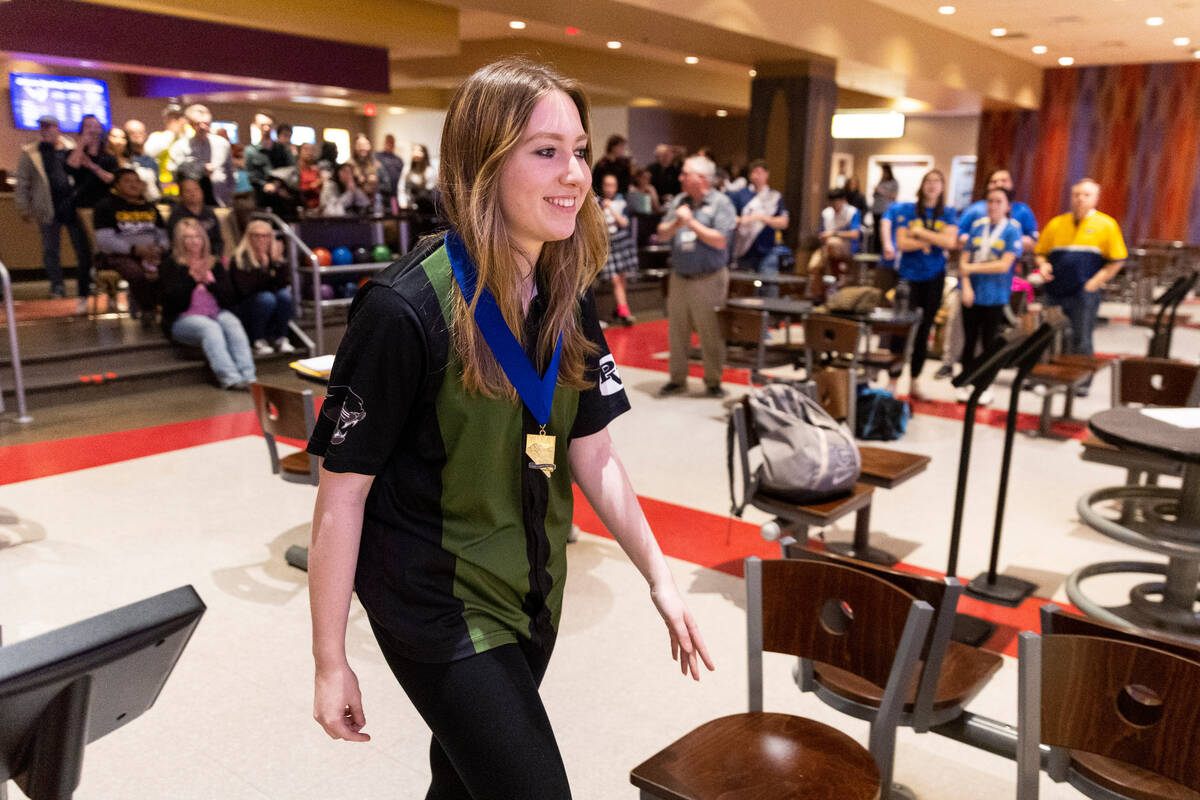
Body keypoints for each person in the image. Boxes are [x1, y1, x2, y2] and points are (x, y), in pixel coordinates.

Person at [305, 56, 713, 800]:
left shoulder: (565, 292)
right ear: (483, 165)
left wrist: (660, 578)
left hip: (531, 589)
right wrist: (330, 659)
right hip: (437, 605)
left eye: (581, 152)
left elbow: (594, 451)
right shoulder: (404, 311)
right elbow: (341, 496)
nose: (575, 175)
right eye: (546, 151)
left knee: (462, 785)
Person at [1034, 178, 1127, 396]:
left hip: (1083, 293)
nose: (1080, 199)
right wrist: (1043, 265)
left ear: (1095, 198)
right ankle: (1048, 377)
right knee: (1049, 336)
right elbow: (1040, 252)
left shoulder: (1106, 225)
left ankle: (1081, 382)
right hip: (1054, 291)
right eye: (1077, 194)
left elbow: (1118, 259)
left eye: (1086, 195)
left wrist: (1096, 281)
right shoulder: (1057, 223)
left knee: (1081, 338)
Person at [656, 154, 737, 397]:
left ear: (701, 178)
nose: (680, 177)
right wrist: (676, 225)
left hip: (709, 279)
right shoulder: (681, 200)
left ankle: (713, 381)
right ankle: (677, 379)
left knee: (710, 332)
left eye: (685, 173)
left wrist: (691, 223)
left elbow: (721, 241)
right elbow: (661, 233)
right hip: (680, 277)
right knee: (677, 331)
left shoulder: (722, 203)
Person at [159, 218, 256, 390]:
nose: (194, 241)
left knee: (232, 323)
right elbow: (171, 302)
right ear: (180, 241)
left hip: (215, 312)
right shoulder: (170, 265)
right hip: (182, 319)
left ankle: (249, 377)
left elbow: (229, 298)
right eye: (187, 237)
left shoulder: (215, 264)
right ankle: (230, 379)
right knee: (210, 328)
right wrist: (191, 280)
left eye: (197, 236)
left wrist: (210, 284)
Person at [889, 169, 958, 399]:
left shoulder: (947, 213)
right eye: (928, 181)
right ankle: (892, 381)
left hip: (934, 277)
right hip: (909, 276)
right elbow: (901, 243)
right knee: (900, 330)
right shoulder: (907, 210)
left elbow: (950, 241)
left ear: (942, 187)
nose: (932, 185)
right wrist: (930, 241)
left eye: (937, 181)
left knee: (924, 329)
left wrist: (919, 234)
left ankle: (914, 381)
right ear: (922, 185)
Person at [956, 186, 1022, 404]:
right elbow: (963, 262)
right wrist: (965, 285)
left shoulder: (1012, 230)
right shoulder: (977, 228)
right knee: (969, 340)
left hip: (995, 296)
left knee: (989, 342)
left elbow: (1004, 265)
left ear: (1007, 206)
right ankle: (966, 380)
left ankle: (986, 384)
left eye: (998, 202)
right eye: (990, 201)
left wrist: (972, 269)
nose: (993, 206)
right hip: (971, 294)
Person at [15, 115, 91, 301]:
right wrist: (23, 208)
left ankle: (87, 283)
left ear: (58, 128)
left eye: (50, 127)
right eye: (43, 127)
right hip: (47, 207)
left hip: (73, 206)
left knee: (83, 247)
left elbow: (85, 174)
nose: (46, 130)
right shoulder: (31, 152)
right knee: (50, 250)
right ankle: (57, 286)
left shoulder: (71, 148)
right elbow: (23, 182)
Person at [91, 168, 169, 318]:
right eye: (128, 181)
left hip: (153, 253)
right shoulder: (105, 206)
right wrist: (133, 249)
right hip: (119, 255)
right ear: (117, 185)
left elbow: (163, 234)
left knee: (173, 267)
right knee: (136, 273)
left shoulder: (150, 207)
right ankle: (148, 310)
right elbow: (105, 240)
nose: (134, 185)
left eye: (137, 181)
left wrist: (159, 248)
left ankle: (168, 309)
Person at [229, 217, 295, 355]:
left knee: (284, 295)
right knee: (266, 298)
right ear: (248, 237)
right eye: (256, 236)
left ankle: (281, 338)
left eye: (265, 236)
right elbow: (245, 289)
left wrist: (277, 264)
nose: (261, 239)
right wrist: (264, 269)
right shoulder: (240, 259)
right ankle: (258, 340)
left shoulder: (274, 257)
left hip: (268, 304)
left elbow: (283, 284)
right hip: (245, 307)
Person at [730, 159, 788, 298]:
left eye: (760, 172)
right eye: (754, 172)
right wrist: (747, 219)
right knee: (744, 290)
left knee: (769, 288)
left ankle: (770, 318)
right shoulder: (740, 195)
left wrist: (762, 218)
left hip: (767, 249)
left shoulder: (774, 196)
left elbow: (784, 222)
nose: (757, 176)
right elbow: (731, 219)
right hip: (744, 249)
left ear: (767, 174)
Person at [167, 104, 236, 207]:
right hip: (192, 203)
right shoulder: (180, 146)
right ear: (190, 124)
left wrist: (229, 194)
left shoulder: (222, 144)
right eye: (198, 124)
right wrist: (201, 169)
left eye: (206, 123)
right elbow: (176, 172)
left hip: (220, 200)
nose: (203, 127)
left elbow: (230, 172)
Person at [956, 169, 1038, 253]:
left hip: (1010, 259)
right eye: (994, 181)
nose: (999, 184)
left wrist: (1003, 240)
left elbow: (1032, 241)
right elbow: (960, 234)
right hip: (977, 257)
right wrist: (981, 242)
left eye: (1004, 180)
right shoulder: (975, 209)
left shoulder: (1022, 210)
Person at [598, 173, 639, 325]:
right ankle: (624, 311)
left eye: (612, 185)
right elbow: (595, 224)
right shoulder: (597, 202)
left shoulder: (622, 202)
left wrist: (612, 210)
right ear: (603, 186)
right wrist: (602, 209)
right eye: (607, 185)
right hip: (607, 243)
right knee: (615, 279)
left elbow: (624, 223)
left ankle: (620, 307)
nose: (610, 188)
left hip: (622, 241)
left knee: (622, 278)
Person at [806, 187, 860, 300]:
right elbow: (822, 234)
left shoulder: (852, 212)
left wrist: (834, 234)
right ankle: (818, 295)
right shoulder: (827, 213)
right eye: (832, 202)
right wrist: (825, 236)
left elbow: (855, 234)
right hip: (826, 247)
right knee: (814, 266)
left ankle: (837, 278)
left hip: (847, 247)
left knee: (833, 243)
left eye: (837, 201)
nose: (835, 205)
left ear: (843, 200)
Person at [245, 111, 293, 214]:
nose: (266, 128)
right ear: (256, 126)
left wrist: (277, 184)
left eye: (269, 125)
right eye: (263, 125)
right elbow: (251, 175)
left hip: (282, 198)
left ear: (274, 126)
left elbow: (290, 169)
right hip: (261, 199)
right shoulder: (250, 151)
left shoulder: (283, 150)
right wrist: (265, 185)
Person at [67, 114, 117, 210]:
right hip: (79, 203)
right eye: (87, 127)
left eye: (95, 127)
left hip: (103, 204)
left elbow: (112, 180)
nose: (92, 130)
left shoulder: (109, 157)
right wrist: (81, 143)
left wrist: (92, 166)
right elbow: (70, 168)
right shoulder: (74, 153)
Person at [166, 176, 224, 258]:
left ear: (202, 192)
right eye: (188, 191)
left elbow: (218, 240)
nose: (193, 194)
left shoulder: (209, 213)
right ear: (181, 195)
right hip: (185, 259)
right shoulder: (176, 215)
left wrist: (215, 259)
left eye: (196, 189)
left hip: (210, 258)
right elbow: (174, 243)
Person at [143, 103, 187, 196]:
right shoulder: (158, 136)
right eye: (171, 118)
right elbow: (149, 152)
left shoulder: (189, 136)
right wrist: (171, 133)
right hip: (165, 185)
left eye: (178, 117)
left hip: (185, 184)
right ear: (166, 120)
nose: (175, 121)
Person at [124, 119, 162, 202]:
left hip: (150, 204)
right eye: (133, 132)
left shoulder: (152, 161)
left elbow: (157, 185)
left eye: (140, 132)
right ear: (126, 136)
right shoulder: (124, 159)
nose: (137, 135)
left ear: (145, 134)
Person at [350, 133, 384, 206]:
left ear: (369, 146)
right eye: (360, 145)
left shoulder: (377, 165)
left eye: (365, 145)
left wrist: (376, 184)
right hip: (355, 206)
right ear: (355, 146)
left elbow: (387, 186)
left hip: (375, 204)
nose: (363, 148)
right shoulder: (349, 165)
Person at [872, 163, 899, 256]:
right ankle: (876, 251)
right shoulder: (881, 181)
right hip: (876, 209)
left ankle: (884, 251)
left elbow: (894, 196)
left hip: (886, 210)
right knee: (876, 232)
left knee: (884, 231)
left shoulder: (894, 182)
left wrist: (880, 190)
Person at [375, 133, 405, 212]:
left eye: (391, 142)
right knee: (381, 216)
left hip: (394, 194)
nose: (389, 144)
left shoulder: (399, 160)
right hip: (381, 193)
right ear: (384, 142)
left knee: (395, 215)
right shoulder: (377, 156)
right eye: (387, 141)